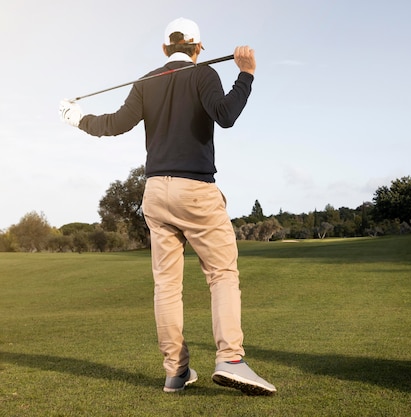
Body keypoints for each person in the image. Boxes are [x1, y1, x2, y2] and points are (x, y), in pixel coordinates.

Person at [59, 17, 275, 396]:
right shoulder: (204, 74)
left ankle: (176, 371)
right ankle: (231, 360)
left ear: (165, 49)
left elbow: (113, 124)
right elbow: (225, 115)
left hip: (155, 193)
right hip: (196, 189)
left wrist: (77, 119)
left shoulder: (148, 80)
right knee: (222, 274)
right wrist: (246, 74)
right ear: (198, 47)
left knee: (167, 286)